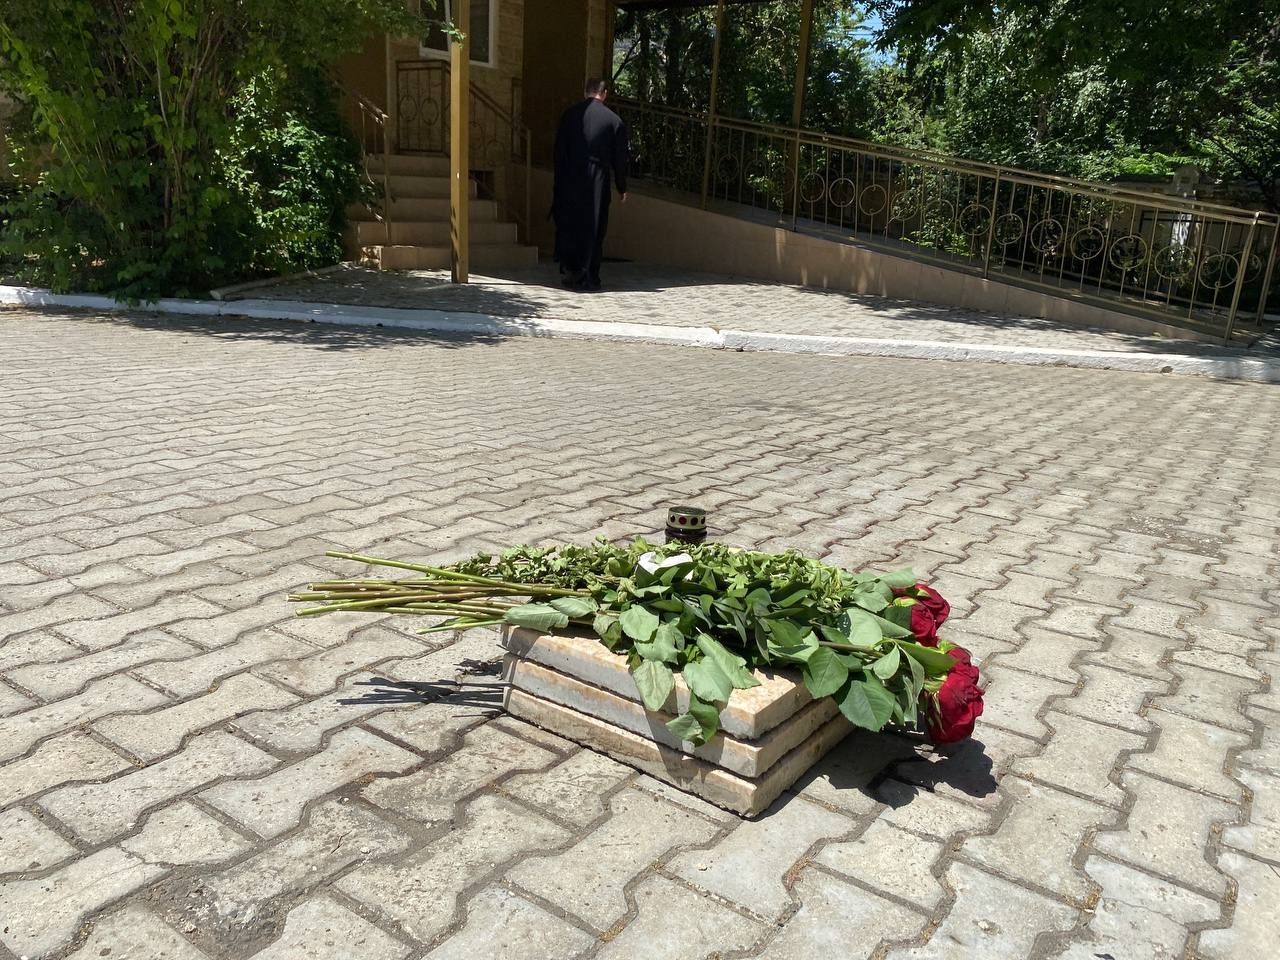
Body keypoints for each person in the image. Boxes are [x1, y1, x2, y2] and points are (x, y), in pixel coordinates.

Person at [552, 78, 629, 291]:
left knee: (571, 222)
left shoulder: (569, 115)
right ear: (604, 94)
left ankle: (570, 271)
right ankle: (589, 274)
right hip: (598, 179)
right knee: (594, 225)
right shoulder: (614, 121)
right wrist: (622, 187)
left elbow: (559, 150)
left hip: (570, 176)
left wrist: (559, 180)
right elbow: (620, 160)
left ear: (586, 92)